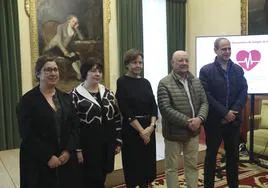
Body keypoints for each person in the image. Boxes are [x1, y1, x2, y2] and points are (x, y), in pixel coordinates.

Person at [16, 55, 80, 188]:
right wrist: (47, 156)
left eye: (55, 70)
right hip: (38, 163)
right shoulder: (27, 101)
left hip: (64, 162)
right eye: (48, 70)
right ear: (38, 74)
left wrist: (68, 151)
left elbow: (74, 127)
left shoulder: (66, 98)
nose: (53, 73)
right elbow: (27, 134)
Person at [199, 38, 248, 188]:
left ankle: (233, 185)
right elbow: (207, 95)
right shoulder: (206, 70)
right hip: (214, 121)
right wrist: (224, 112)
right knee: (211, 156)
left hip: (233, 121)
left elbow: (243, 91)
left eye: (229, 49)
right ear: (216, 51)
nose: (227, 52)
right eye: (223, 49)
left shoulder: (238, 69)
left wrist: (233, 112)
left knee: (233, 157)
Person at [157, 50, 208, 188]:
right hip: (174, 134)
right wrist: (188, 122)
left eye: (186, 60)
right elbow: (165, 109)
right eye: (180, 60)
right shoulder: (164, 83)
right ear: (172, 63)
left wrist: (199, 119)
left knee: (192, 166)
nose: (184, 63)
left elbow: (204, 102)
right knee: (171, 168)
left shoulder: (195, 81)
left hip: (193, 133)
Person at [71, 57, 122, 188]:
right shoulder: (75, 95)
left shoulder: (108, 93)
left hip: (107, 145)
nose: (97, 74)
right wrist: (77, 149)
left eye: (99, 71)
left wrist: (118, 141)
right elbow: (73, 126)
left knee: (103, 175)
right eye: (93, 71)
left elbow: (116, 117)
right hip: (88, 147)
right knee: (90, 179)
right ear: (85, 73)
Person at [116, 49, 158, 188]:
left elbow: (153, 105)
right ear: (127, 64)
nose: (138, 65)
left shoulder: (146, 82)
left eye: (140, 62)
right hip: (132, 130)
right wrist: (142, 131)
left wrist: (151, 127)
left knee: (147, 167)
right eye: (135, 62)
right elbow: (125, 110)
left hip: (149, 128)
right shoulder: (122, 82)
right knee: (133, 167)